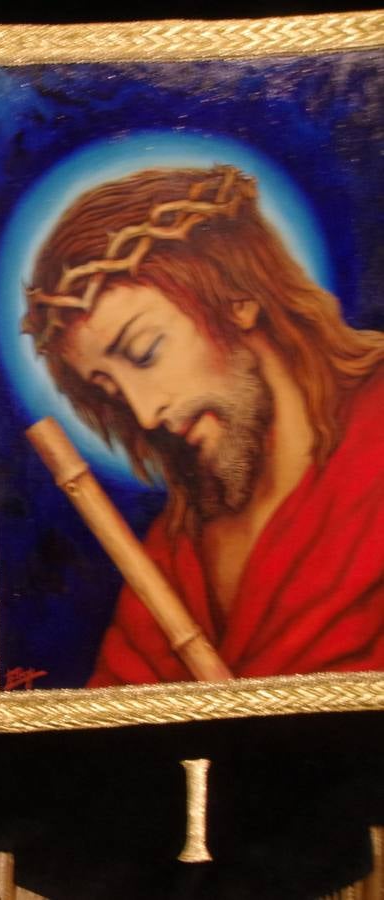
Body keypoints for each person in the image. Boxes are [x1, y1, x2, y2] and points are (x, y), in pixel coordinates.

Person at [21, 165, 384, 686]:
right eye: (110, 389)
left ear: (238, 295)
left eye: (144, 351)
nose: (145, 414)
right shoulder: (177, 550)